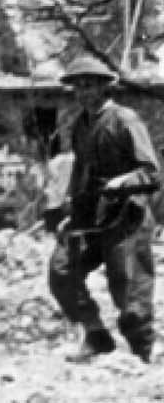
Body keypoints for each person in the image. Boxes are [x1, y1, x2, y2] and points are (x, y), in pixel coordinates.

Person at [47, 53, 157, 363]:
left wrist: (121, 182)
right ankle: (96, 335)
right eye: (78, 87)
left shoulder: (125, 120)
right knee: (62, 271)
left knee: (129, 292)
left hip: (126, 219)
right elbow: (81, 172)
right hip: (91, 217)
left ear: (103, 88)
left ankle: (142, 356)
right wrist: (71, 215)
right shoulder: (81, 125)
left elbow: (150, 172)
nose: (83, 92)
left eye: (90, 86)